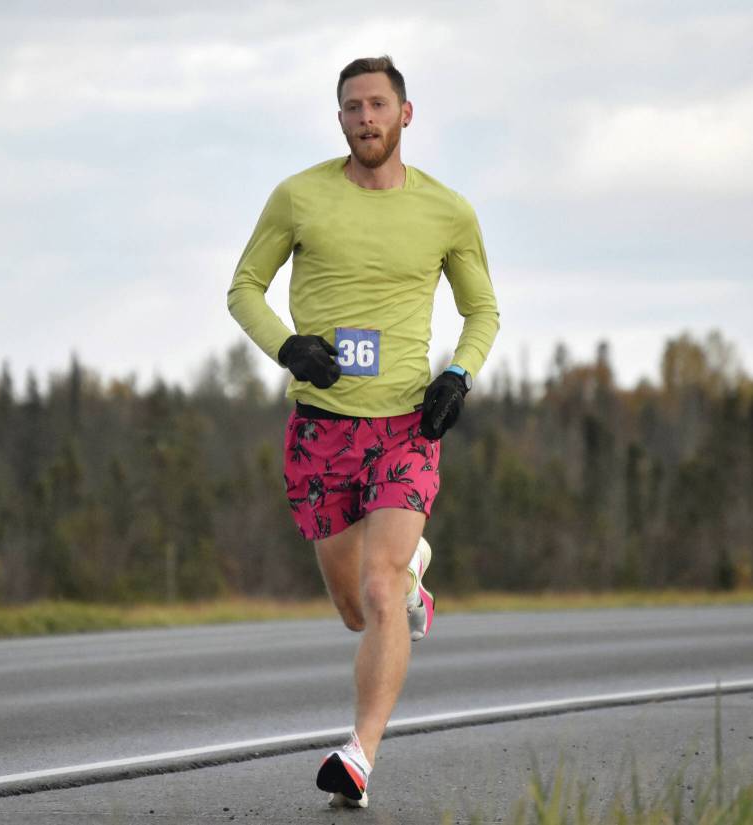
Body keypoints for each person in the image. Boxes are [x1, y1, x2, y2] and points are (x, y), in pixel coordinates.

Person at [227, 55, 499, 808]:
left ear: (405, 114)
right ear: (340, 117)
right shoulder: (299, 197)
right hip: (323, 429)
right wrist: (288, 347)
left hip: (407, 425)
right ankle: (414, 578)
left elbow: (483, 310)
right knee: (357, 609)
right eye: (353, 107)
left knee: (380, 587)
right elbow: (244, 288)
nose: (366, 118)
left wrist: (458, 375)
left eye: (378, 105)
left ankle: (359, 755)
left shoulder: (447, 211)